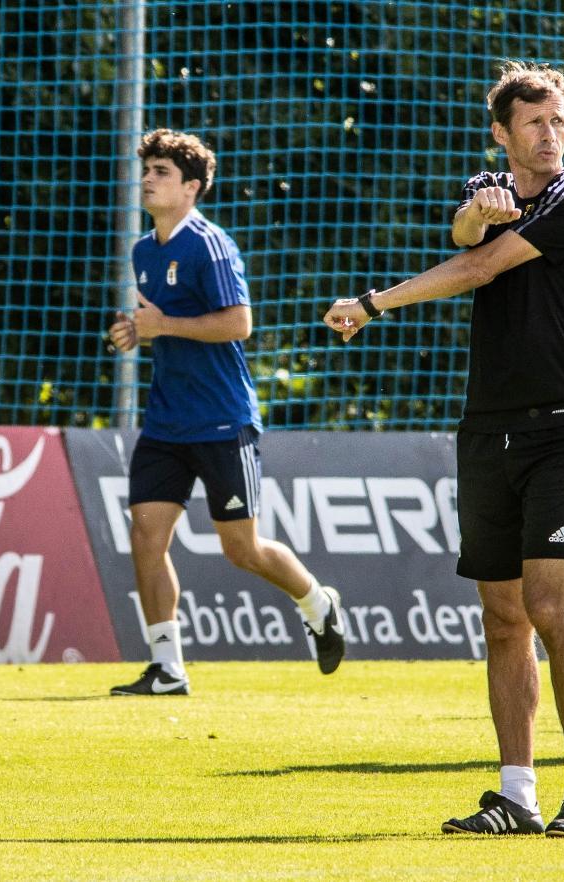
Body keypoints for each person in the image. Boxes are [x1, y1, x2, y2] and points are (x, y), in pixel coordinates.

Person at [323, 62, 564, 836]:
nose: (552, 135)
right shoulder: (492, 184)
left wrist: (373, 302)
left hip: (559, 429)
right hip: (486, 430)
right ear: (502, 132)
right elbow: (464, 234)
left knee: (553, 608)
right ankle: (516, 794)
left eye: (559, 121)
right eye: (535, 124)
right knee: (502, 617)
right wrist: (478, 214)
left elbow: (479, 264)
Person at [108, 129, 344, 697]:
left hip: (221, 418)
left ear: (191, 187)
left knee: (242, 549)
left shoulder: (210, 245)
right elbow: (160, 324)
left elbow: (240, 324)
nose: (148, 178)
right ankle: (167, 667)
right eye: (147, 169)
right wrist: (136, 332)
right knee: (146, 535)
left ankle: (318, 602)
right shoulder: (144, 251)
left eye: (161, 171)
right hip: (167, 422)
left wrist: (163, 325)